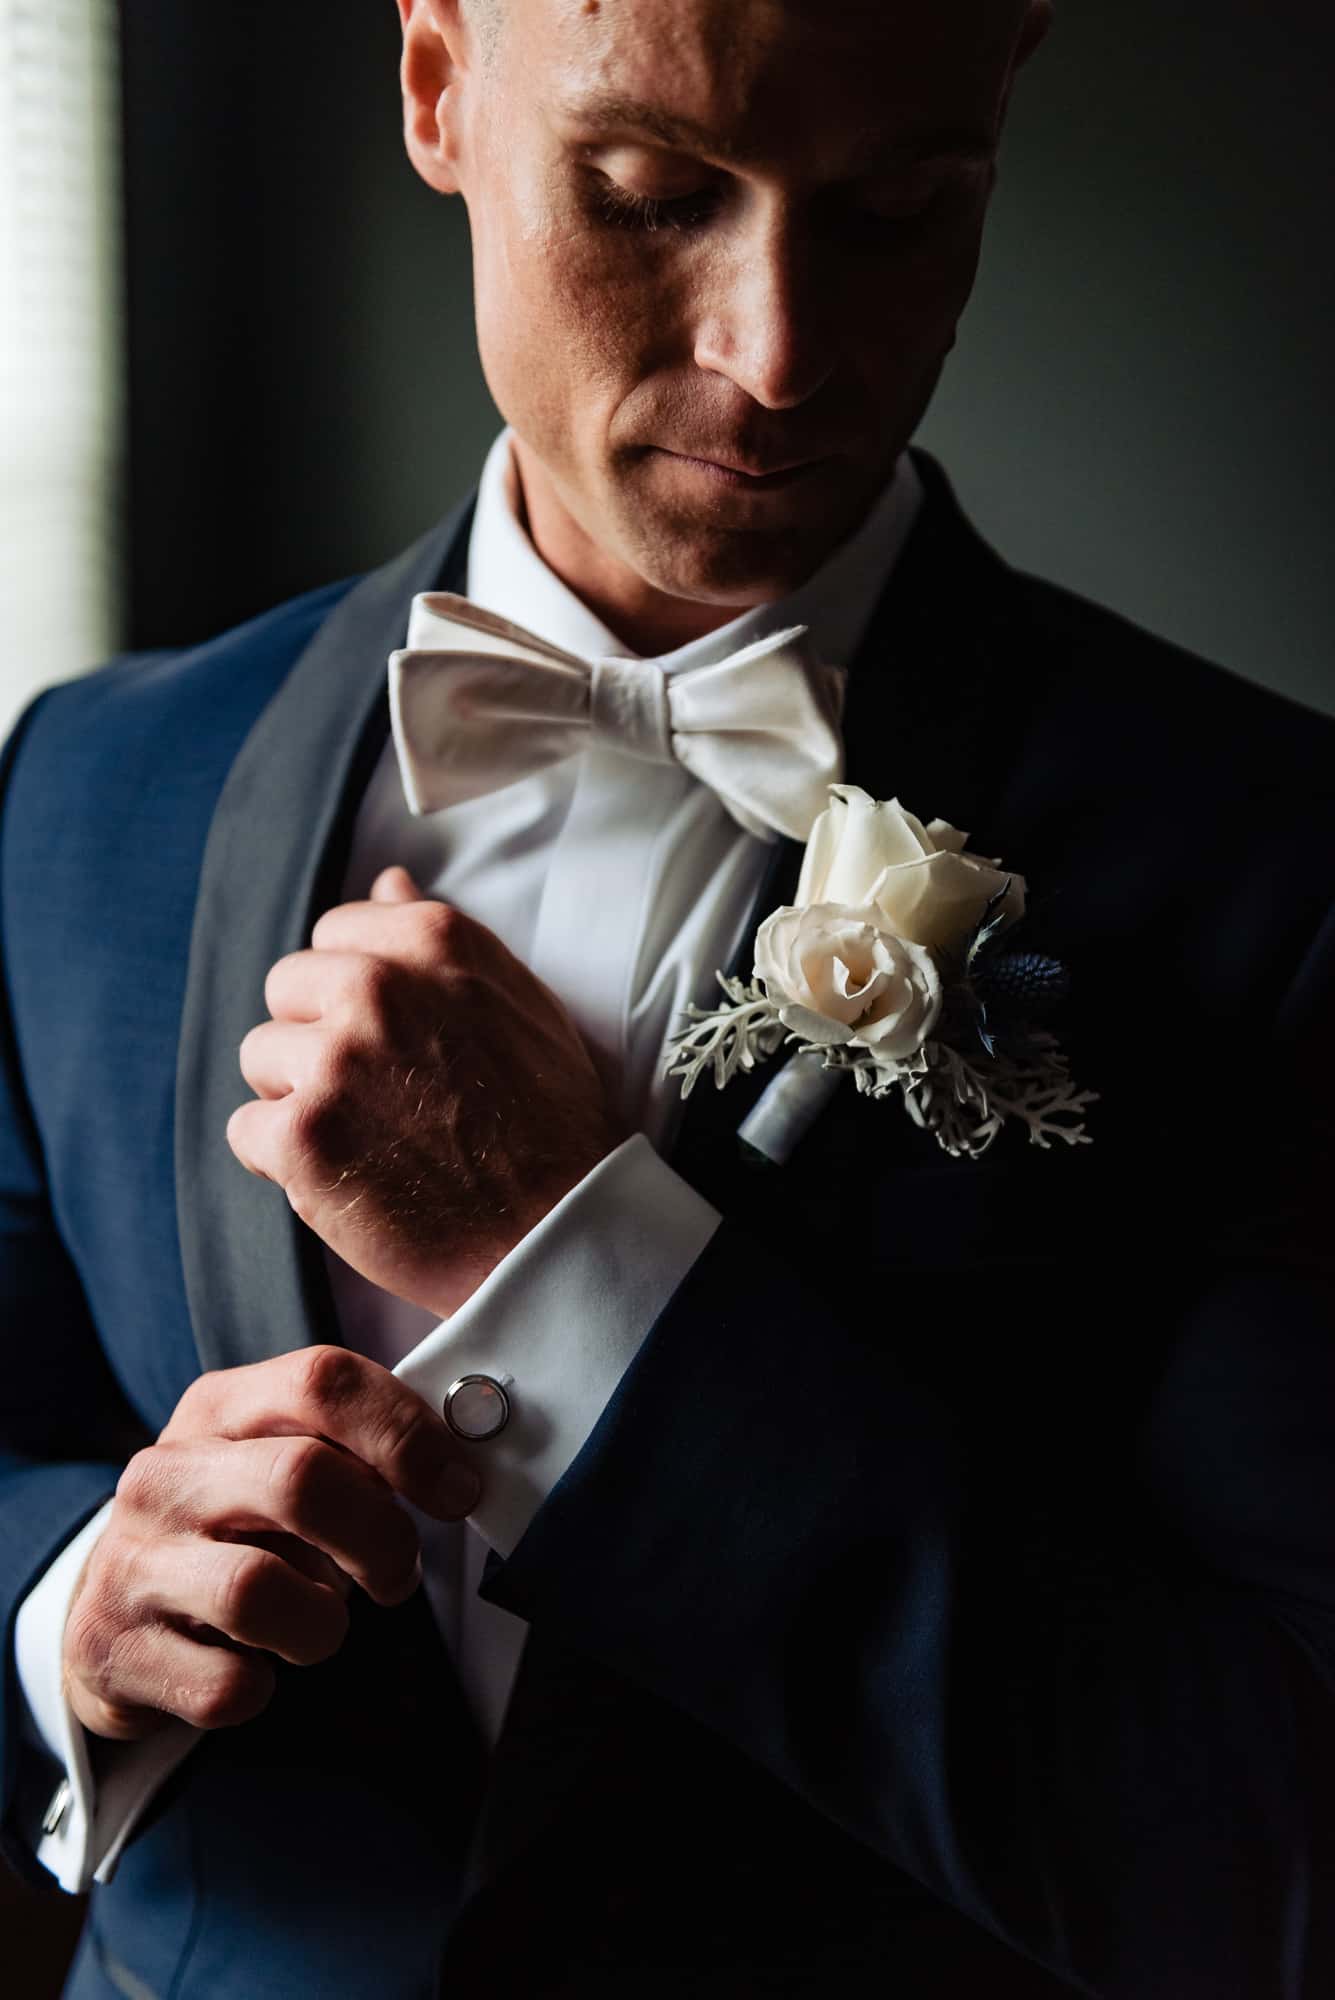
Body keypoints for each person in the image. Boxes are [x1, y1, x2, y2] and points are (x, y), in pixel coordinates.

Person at [2, 0, 1333, 1993]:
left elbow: (1273, 1846)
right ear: (438, 89)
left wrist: (566, 1265)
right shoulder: (88, 787)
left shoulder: (1270, 870)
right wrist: (73, 1604)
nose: (781, 351)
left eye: (899, 209)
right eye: (644, 192)